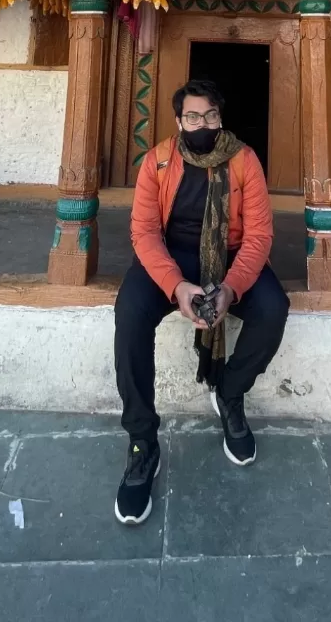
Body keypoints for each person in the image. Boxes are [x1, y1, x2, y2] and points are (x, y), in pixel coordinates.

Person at [112, 78, 290, 525]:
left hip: (228, 258)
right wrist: (176, 286)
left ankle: (229, 393)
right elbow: (144, 232)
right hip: (171, 258)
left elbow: (259, 236)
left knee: (273, 309)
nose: (202, 124)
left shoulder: (244, 160)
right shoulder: (158, 161)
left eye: (210, 116)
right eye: (192, 117)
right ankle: (142, 441)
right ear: (179, 121)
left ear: (220, 118)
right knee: (129, 314)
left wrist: (230, 287)